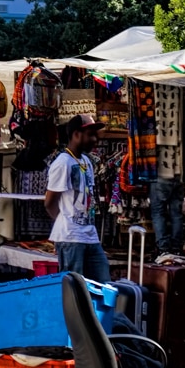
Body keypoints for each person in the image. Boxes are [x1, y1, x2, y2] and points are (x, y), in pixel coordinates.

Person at [45, 114, 109, 284]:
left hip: (89, 235)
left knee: (104, 284)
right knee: (74, 289)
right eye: (90, 134)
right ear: (76, 135)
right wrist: (65, 221)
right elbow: (50, 202)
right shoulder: (62, 163)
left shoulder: (86, 161)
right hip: (71, 237)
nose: (95, 139)